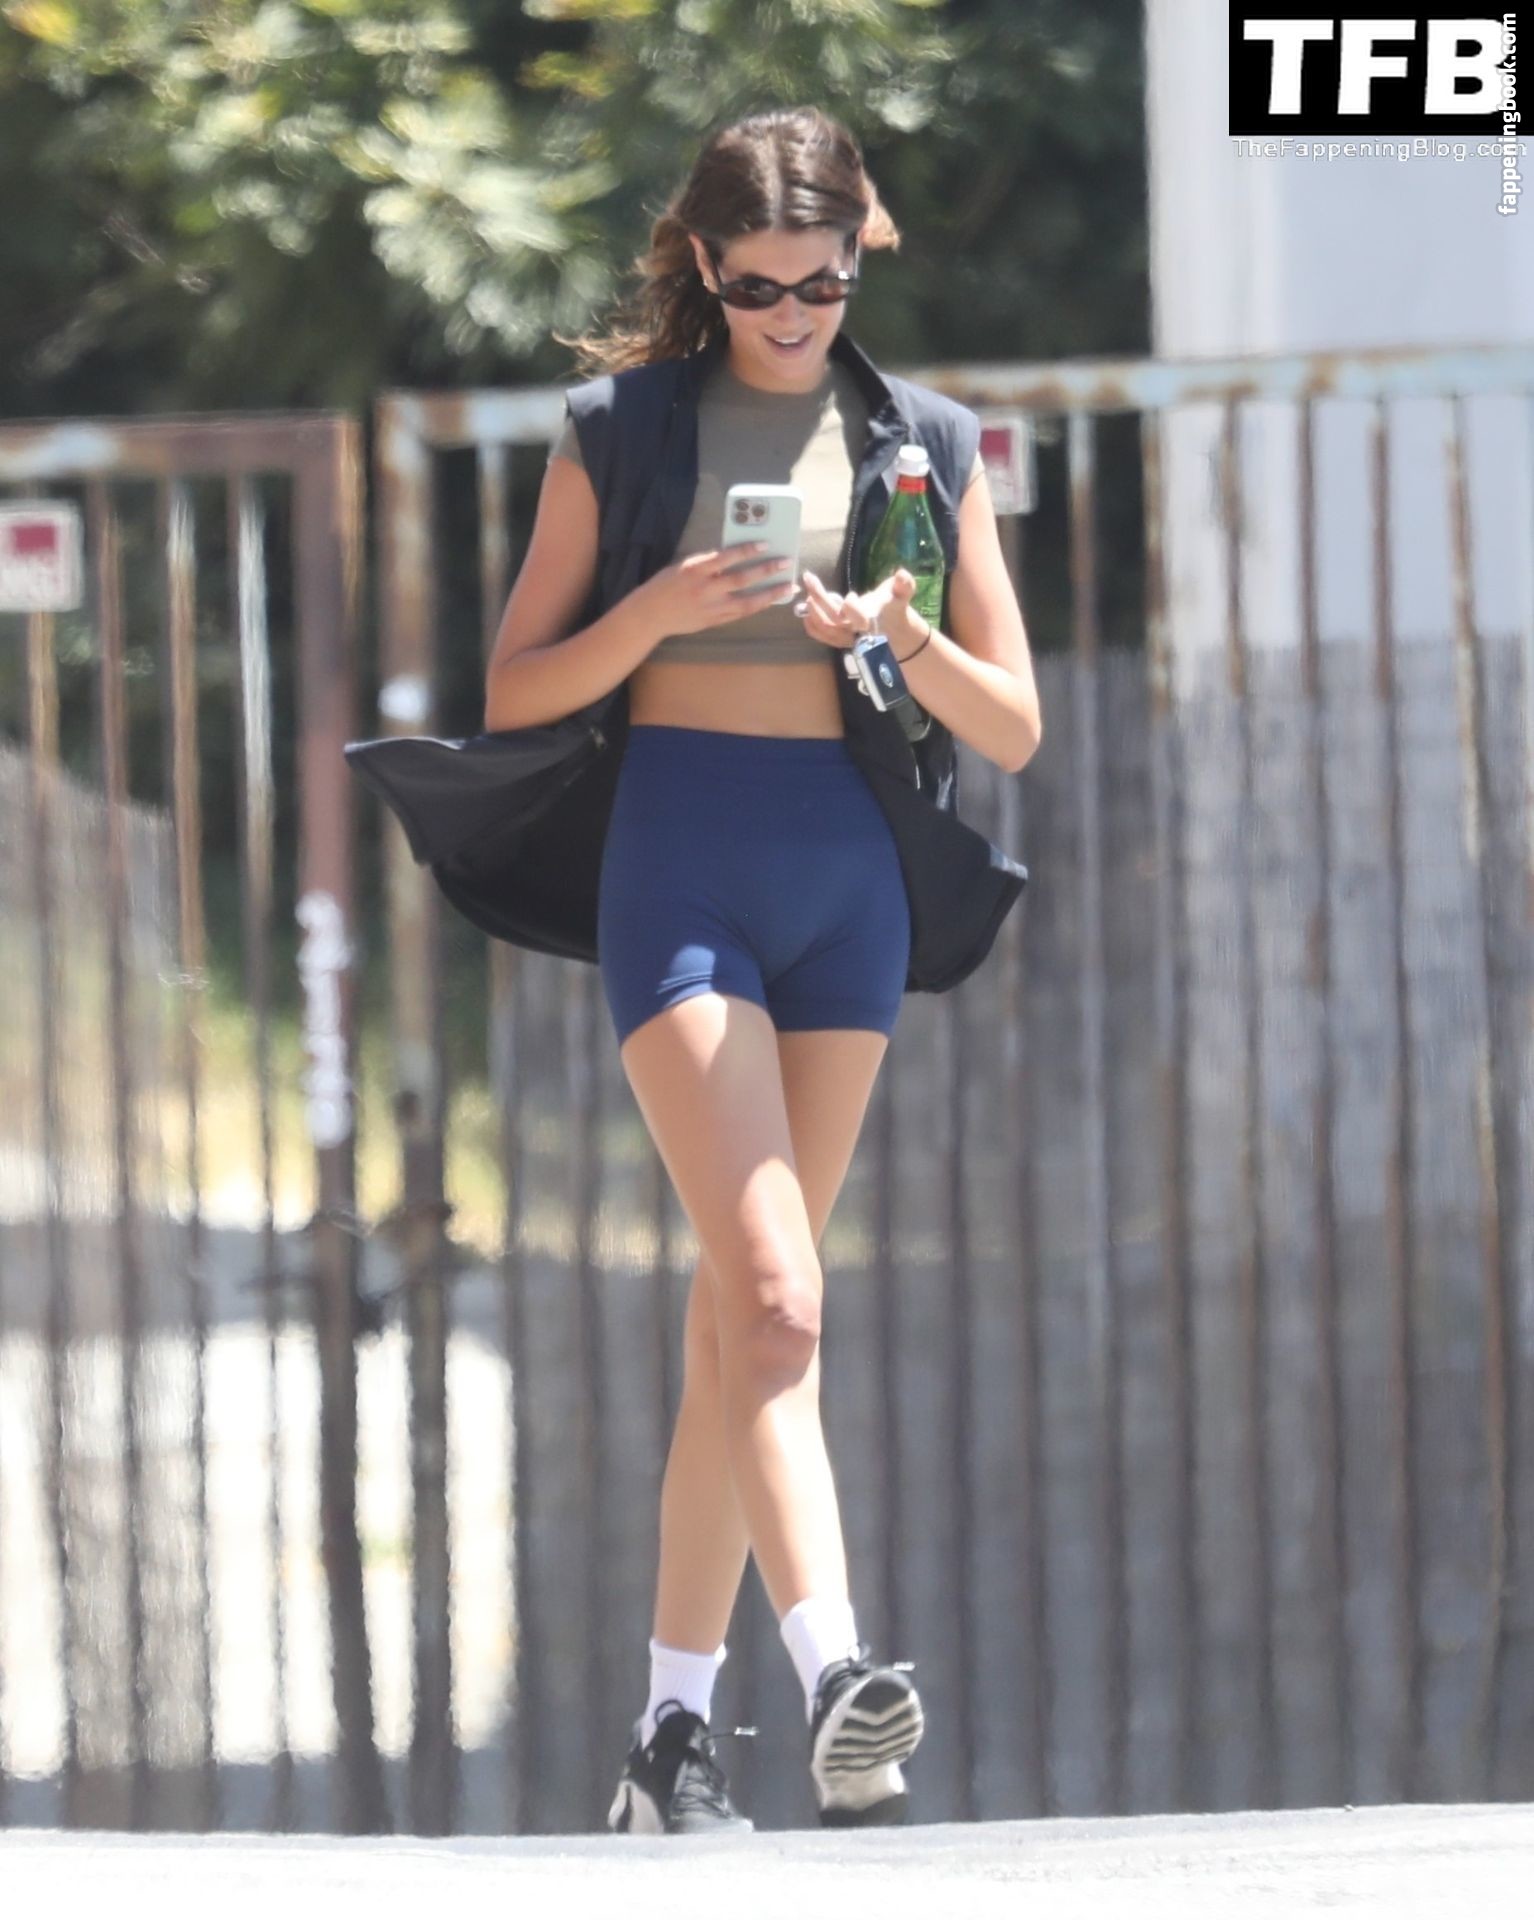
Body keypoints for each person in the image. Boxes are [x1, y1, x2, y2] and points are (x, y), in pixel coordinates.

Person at [481, 104, 1041, 1835]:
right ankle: (836, 1678)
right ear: (704, 266)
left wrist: (903, 635)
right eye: (755, 287)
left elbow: (1012, 724)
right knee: (781, 1296)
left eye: (820, 282)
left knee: (738, 1312)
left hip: (848, 887)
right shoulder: (623, 429)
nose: (791, 316)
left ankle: (666, 1737)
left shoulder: (922, 441)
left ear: (861, 252)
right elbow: (516, 687)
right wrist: (655, 611)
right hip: (682, 872)